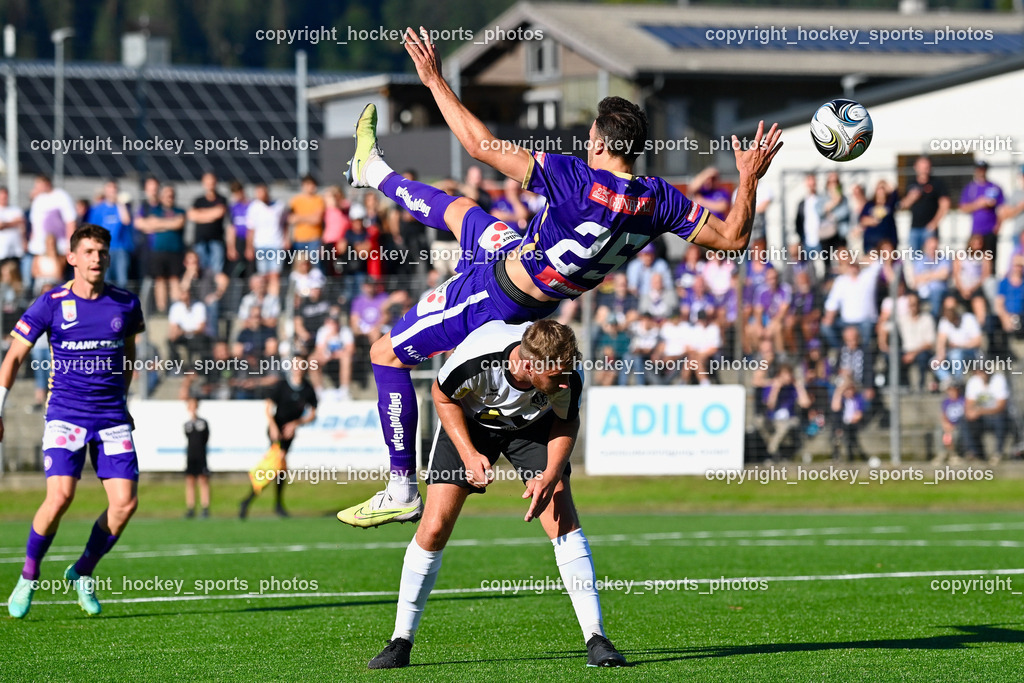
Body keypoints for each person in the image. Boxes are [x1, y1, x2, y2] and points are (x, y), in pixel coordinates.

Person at [336, 27, 782, 527]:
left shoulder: (576, 178)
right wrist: (748, 179)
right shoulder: (659, 199)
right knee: (464, 211)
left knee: (384, 356)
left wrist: (434, 79)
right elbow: (734, 239)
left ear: (598, 139)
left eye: (590, 131)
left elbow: (480, 146)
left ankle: (401, 488)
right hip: (526, 285)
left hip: (493, 295)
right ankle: (371, 169)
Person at [364, 319, 626, 669]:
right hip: (469, 424)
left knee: (562, 519)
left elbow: (566, 419)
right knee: (434, 529)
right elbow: (442, 396)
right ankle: (400, 641)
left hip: (532, 429)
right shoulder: (475, 361)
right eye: (556, 377)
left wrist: (550, 474)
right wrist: (469, 453)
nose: (565, 382)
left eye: (567, 373)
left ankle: (596, 638)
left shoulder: (565, 373)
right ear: (529, 365)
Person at [3, 224, 145, 618]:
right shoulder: (51, 302)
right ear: (72, 258)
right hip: (66, 414)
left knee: (125, 504)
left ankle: (83, 571)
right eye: (88, 252)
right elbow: (14, 357)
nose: (96, 258)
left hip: (112, 416)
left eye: (102, 252)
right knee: (61, 496)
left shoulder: (126, 303)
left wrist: (123, 396)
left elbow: (129, 353)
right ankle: (28, 578)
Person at [239, 359, 318, 518]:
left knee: (279, 468)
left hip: (289, 433)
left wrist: (296, 423)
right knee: (276, 464)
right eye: (295, 365)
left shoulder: (307, 389)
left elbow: (313, 414)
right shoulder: (282, 385)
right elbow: (268, 407)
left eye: (301, 365)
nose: (298, 368)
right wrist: (273, 426)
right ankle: (258, 500)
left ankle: (263, 501)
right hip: (276, 430)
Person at [86, 180, 133, 287]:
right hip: (104, 248)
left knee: (122, 280)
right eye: (110, 190)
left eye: (114, 190)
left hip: (120, 248)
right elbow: (93, 229)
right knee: (105, 279)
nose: (112, 192)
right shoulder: (98, 209)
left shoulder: (122, 207)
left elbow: (126, 220)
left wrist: (120, 203)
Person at [901, 155, 950, 253]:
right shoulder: (911, 183)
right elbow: (902, 205)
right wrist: (911, 198)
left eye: (927, 167)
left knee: (930, 257)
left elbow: (945, 204)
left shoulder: (937, 183)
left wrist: (935, 223)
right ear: (916, 167)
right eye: (922, 167)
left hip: (929, 228)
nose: (924, 170)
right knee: (915, 257)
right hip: (914, 228)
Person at [960, 160, 1004, 261]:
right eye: (979, 169)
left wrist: (998, 225)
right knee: (974, 258)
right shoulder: (970, 188)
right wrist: (978, 204)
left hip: (990, 229)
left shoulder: (995, 187)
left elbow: (1002, 209)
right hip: (976, 230)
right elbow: (963, 208)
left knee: (990, 258)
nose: (981, 171)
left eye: (983, 169)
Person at [187, 171, 228, 274]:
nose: (210, 183)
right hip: (200, 240)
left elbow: (219, 212)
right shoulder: (198, 200)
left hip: (216, 240)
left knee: (216, 271)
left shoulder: (221, 199)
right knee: (201, 270)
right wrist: (211, 214)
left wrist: (201, 214)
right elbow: (192, 215)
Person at [183, 397, 211, 519]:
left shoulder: (203, 423)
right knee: (190, 481)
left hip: (201, 455)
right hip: (191, 456)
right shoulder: (187, 425)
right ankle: (191, 507)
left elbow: (205, 438)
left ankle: (205, 507)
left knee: (203, 480)